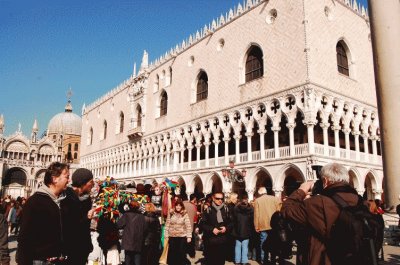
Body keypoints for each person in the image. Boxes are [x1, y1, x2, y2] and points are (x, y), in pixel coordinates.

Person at [281, 162, 360, 265]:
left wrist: (301, 190)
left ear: (325, 181)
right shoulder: (360, 201)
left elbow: (286, 210)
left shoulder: (318, 203)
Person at [17, 162, 70, 265]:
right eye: (66, 177)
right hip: (40, 261)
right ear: (54, 179)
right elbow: (24, 238)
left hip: (61, 260)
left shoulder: (64, 201)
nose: (69, 180)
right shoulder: (35, 202)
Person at [61, 168, 95, 265]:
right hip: (69, 248)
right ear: (83, 182)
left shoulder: (87, 199)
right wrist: (87, 217)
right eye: (90, 181)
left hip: (82, 248)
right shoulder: (66, 197)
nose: (92, 184)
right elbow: (68, 224)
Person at [200, 192, 233, 265]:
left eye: (221, 199)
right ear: (213, 199)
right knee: (210, 261)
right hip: (211, 241)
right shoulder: (208, 210)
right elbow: (203, 224)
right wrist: (212, 229)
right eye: (218, 198)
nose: (220, 200)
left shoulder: (226, 210)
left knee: (220, 261)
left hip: (222, 241)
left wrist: (226, 228)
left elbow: (232, 223)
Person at [253, 187, 281, 264]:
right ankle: (273, 259)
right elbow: (279, 212)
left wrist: (256, 226)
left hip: (263, 225)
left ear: (259, 193)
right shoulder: (275, 199)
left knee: (263, 243)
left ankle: (264, 260)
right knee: (274, 243)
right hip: (274, 225)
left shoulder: (257, 201)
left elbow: (256, 215)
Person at [117, 201, 146, 265]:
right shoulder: (141, 216)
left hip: (128, 240)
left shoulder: (127, 215)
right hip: (138, 240)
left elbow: (119, 225)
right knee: (137, 259)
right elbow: (145, 228)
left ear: (130, 207)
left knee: (128, 259)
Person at [164, 199, 192, 265]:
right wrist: (166, 234)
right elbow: (167, 224)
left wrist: (189, 236)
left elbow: (188, 225)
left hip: (181, 236)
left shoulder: (184, 214)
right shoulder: (171, 213)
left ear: (182, 206)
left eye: (179, 205)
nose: (178, 207)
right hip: (172, 236)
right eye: (177, 205)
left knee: (181, 253)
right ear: (175, 206)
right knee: (172, 253)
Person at [232, 196, 253, 265]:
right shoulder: (250, 209)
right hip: (247, 230)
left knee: (237, 246)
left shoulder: (236, 209)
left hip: (237, 230)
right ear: (247, 201)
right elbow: (252, 220)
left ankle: (237, 261)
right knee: (245, 247)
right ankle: (244, 261)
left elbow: (234, 219)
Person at [182, 193, 198, 262]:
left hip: (182, 226)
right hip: (190, 226)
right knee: (190, 241)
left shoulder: (181, 205)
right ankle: (192, 254)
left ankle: (183, 254)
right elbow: (195, 215)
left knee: (182, 241)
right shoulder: (193, 206)